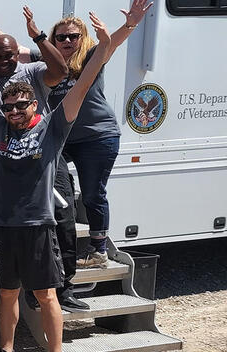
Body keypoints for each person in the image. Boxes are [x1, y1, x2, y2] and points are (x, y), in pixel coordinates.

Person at [0, 19, 119, 352]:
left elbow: (83, 82)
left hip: (39, 225)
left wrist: (106, 44)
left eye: (21, 105)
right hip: (3, 226)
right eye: (9, 107)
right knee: (6, 291)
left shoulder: (53, 128)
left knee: (45, 294)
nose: (15, 112)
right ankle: (6, 349)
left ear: (34, 104)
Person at [0, 5, 90, 312]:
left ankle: (63, 287)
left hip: (45, 148)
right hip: (10, 161)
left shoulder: (32, 69)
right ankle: (32, 289)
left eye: (9, 56)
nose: (4, 60)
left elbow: (61, 71)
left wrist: (37, 35)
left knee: (63, 214)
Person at [43, 0, 153, 269]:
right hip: (65, 139)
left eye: (73, 36)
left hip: (97, 137)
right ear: (53, 41)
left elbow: (112, 42)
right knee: (44, 171)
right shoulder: (47, 63)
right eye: (61, 37)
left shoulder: (91, 57)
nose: (67, 40)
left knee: (93, 194)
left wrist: (131, 23)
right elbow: (14, 52)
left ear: (82, 39)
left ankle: (98, 250)